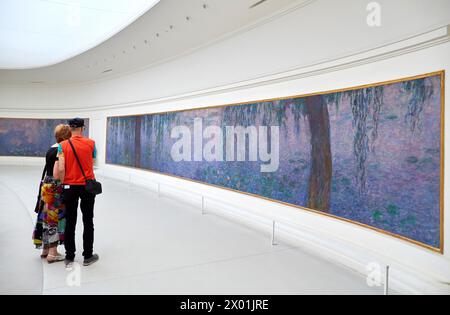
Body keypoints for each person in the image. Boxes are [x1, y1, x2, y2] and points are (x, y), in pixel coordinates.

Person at [58, 118, 99, 267]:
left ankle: (69, 256)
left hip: (70, 186)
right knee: (88, 220)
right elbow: (93, 163)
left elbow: (61, 168)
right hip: (87, 186)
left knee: (70, 221)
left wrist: (64, 183)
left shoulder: (62, 145)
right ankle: (88, 255)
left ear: (70, 128)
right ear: (83, 128)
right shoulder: (91, 143)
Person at [33, 124, 72, 263]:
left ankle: (45, 249)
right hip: (55, 187)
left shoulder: (51, 148)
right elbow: (57, 172)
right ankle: (53, 253)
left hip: (46, 186)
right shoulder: (60, 151)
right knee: (55, 218)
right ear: (67, 136)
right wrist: (63, 183)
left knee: (46, 217)